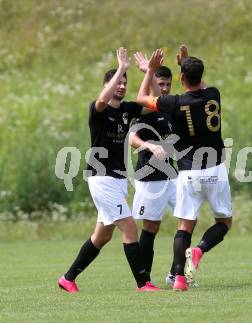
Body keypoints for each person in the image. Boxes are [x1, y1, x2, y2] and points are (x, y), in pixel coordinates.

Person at [58, 47, 156, 293]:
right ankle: (143, 283)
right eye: (118, 82)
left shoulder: (128, 110)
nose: (122, 86)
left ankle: (67, 278)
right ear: (108, 84)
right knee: (130, 228)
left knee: (101, 237)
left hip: (118, 179)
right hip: (102, 179)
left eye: (124, 82)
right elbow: (102, 100)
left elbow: (155, 103)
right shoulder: (98, 109)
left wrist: (150, 73)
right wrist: (121, 68)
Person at [136, 45, 232, 291]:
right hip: (215, 169)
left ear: (180, 79)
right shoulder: (214, 94)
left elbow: (141, 99)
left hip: (188, 172)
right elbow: (199, 84)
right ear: (201, 76)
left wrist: (150, 71)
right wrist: (186, 64)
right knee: (224, 223)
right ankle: (199, 250)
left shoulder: (174, 103)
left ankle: (178, 279)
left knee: (184, 227)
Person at [129, 51, 178, 289]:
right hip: (150, 177)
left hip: (172, 176)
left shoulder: (165, 109)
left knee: (188, 219)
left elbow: (161, 100)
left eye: (168, 84)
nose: (166, 88)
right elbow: (132, 139)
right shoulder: (143, 111)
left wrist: (151, 70)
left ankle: (176, 274)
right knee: (151, 228)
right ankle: (144, 279)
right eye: (161, 84)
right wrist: (148, 145)